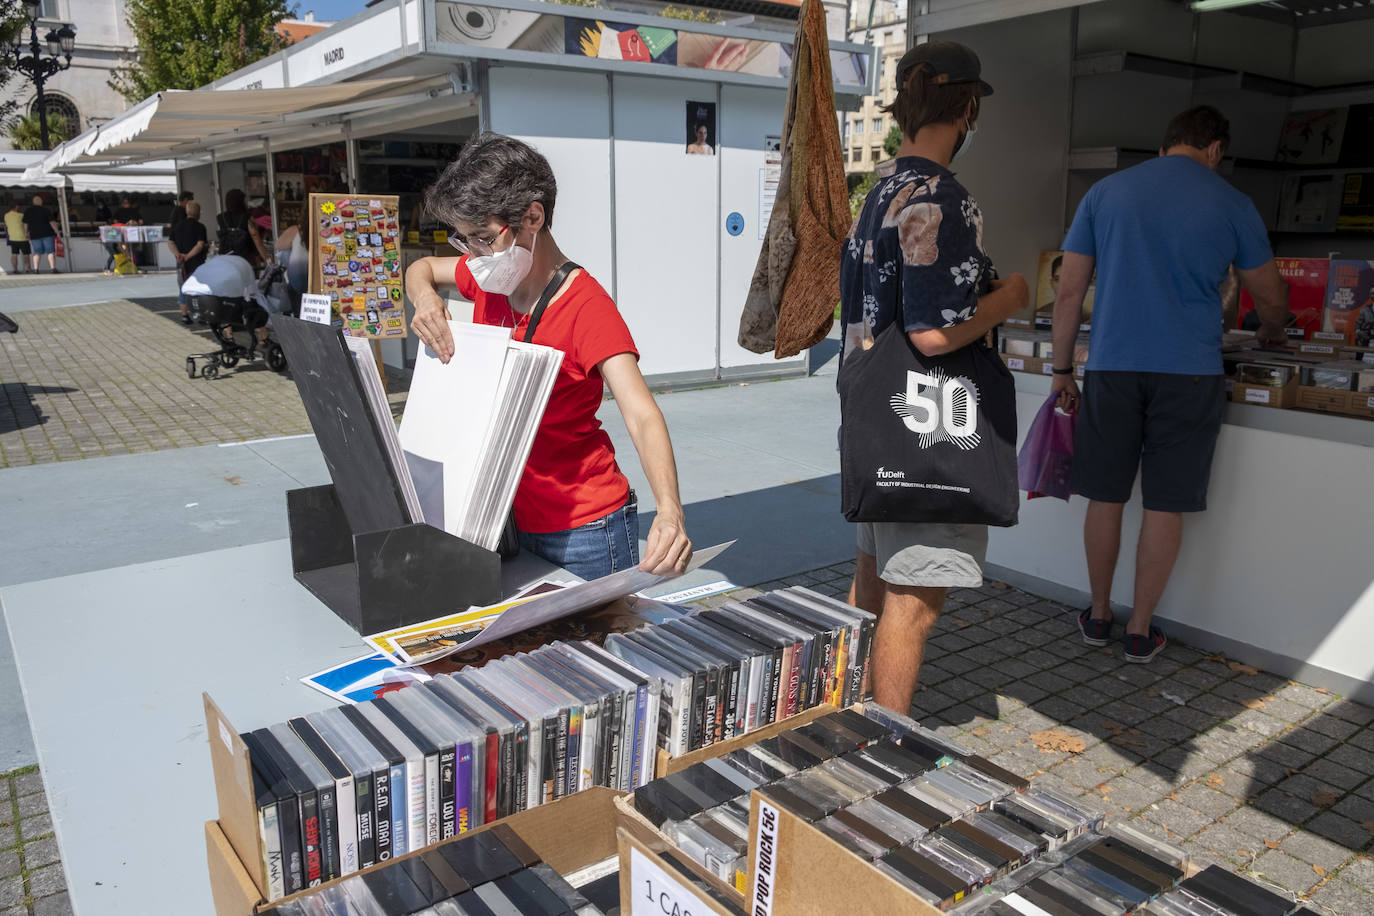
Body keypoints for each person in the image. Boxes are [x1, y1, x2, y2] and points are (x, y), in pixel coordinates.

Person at [1049, 105, 1290, 664]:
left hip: (1111, 368)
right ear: (1215, 150)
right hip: (1190, 373)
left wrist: (1063, 370)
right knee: (1164, 504)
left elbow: (1068, 292)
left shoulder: (1105, 194)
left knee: (1106, 495)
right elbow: (1270, 292)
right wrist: (1272, 329)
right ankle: (1140, 629)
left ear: (1164, 147)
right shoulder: (1232, 202)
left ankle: (1099, 614)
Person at [407, 132, 693, 581]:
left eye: (483, 238)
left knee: (600, 648)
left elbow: (641, 413)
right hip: (508, 518)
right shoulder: (488, 278)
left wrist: (670, 512)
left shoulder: (586, 306)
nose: (474, 256)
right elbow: (420, 269)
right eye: (466, 242)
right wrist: (424, 298)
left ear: (533, 217)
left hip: (586, 529)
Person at [839, 41, 1027, 714]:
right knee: (911, 606)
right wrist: (1007, 300)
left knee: (868, 589)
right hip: (927, 432)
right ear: (968, 108)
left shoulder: (878, 192)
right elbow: (933, 332)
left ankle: (843, 713)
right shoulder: (943, 199)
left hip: (873, 418)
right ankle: (883, 748)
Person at [168, 201, 208, 324]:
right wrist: (188, 256)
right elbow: (200, 245)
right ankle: (200, 315)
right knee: (199, 289)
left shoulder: (177, 226)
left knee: (183, 288)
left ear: (187, 212)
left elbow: (171, 242)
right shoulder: (200, 227)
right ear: (198, 213)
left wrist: (178, 255)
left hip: (181, 264)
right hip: (197, 263)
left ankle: (185, 315)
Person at [217, 189, 270, 266]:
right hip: (245, 257)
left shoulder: (220, 217)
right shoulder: (247, 217)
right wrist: (266, 259)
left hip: (226, 258)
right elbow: (255, 237)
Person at [22, 194, 60, 274]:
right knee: (50, 252)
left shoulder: (28, 211)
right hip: (47, 234)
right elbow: (52, 222)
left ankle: (36, 269)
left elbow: (25, 224)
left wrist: (26, 233)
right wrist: (57, 232)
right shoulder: (46, 210)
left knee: (37, 252)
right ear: (41, 202)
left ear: (33, 202)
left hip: (34, 235)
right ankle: (53, 268)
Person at [5, 199, 29, 275]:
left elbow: (6, 225)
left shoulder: (6, 215)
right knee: (26, 254)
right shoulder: (21, 215)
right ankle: (28, 269)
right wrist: (26, 233)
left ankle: (15, 269)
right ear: (17, 207)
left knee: (14, 254)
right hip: (22, 237)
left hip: (12, 237)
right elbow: (25, 225)